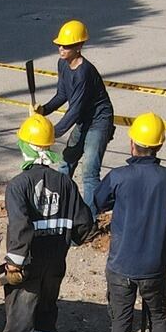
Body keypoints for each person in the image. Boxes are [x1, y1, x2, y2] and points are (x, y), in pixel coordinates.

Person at [0, 114, 93, 332]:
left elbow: (20, 227)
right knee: (47, 311)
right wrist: (66, 241)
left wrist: (14, 262)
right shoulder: (65, 183)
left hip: (28, 267)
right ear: (49, 147)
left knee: (20, 320)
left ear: (26, 146)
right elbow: (84, 226)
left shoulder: (18, 185)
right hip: (55, 265)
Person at [92, 112, 166, 332]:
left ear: (132, 143)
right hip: (155, 266)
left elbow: (98, 202)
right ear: (159, 145)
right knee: (158, 316)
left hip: (122, 265)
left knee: (121, 322)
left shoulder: (119, 177)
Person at [37, 20, 116, 214]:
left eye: (67, 45)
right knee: (66, 162)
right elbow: (62, 94)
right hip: (82, 120)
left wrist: (52, 133)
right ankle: (57, 208)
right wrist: (44, 110)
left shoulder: (84, 72)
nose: (61, 49)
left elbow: (76, 109)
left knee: (89, 171)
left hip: (99, 121)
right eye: (60, 45)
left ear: (79, 46)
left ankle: (91, 217)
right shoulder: (62, 64)